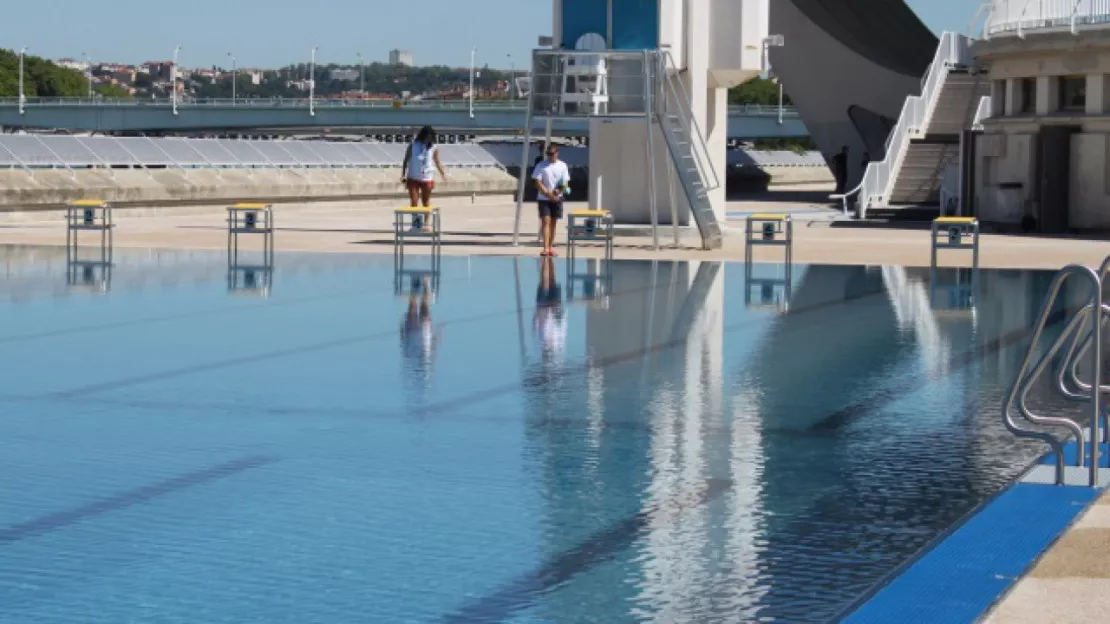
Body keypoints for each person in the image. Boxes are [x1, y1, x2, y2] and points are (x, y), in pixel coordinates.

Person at [401, 125, 448, 231]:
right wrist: (403, 174)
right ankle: (415, 224)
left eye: (431, 138)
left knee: (425, 201)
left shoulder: (433, 147)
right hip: (413, 176)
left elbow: (437, 162)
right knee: (414, 201)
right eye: (428, 137)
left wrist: (443, 174)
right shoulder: (413, 145)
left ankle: (426, 224)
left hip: (427, 177)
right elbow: (406, 160)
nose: (429, 140)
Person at [532, 144, 570, 256]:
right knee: (546, 221)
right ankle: (545, 247)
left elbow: (565, 182)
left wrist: (557, 192)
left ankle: (551, 246)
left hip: (557, 197)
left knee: (553, 222)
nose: (550, 156)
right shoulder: (541, 165)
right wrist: (548, 193)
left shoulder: (563, 166)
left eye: (552, 154)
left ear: (557, 153)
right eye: (548, 154)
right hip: (544, 198)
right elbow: (537, 182)